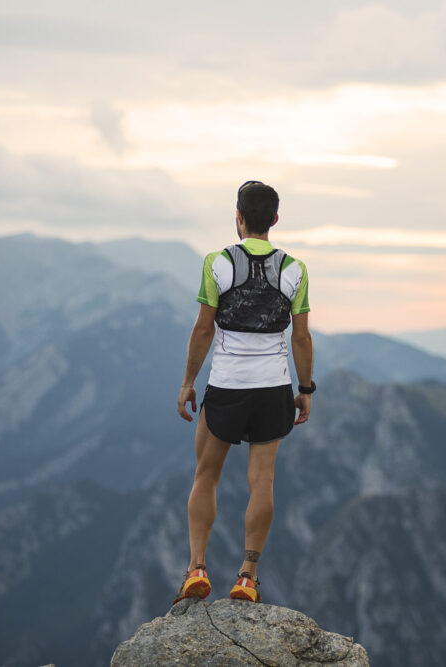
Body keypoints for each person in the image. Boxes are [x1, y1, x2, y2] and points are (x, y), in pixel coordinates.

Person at [174, 180, 315, 605]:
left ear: (238, 217)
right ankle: (248, 576)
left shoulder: (217, 263)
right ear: (274, 220)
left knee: (206, 476)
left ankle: (197, 568)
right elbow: (302, 338)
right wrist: (304, 388)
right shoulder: (295, 269)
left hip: (227, 387)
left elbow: (203, 328)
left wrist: (187, 382)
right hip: (274, 389)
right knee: (262, 482)